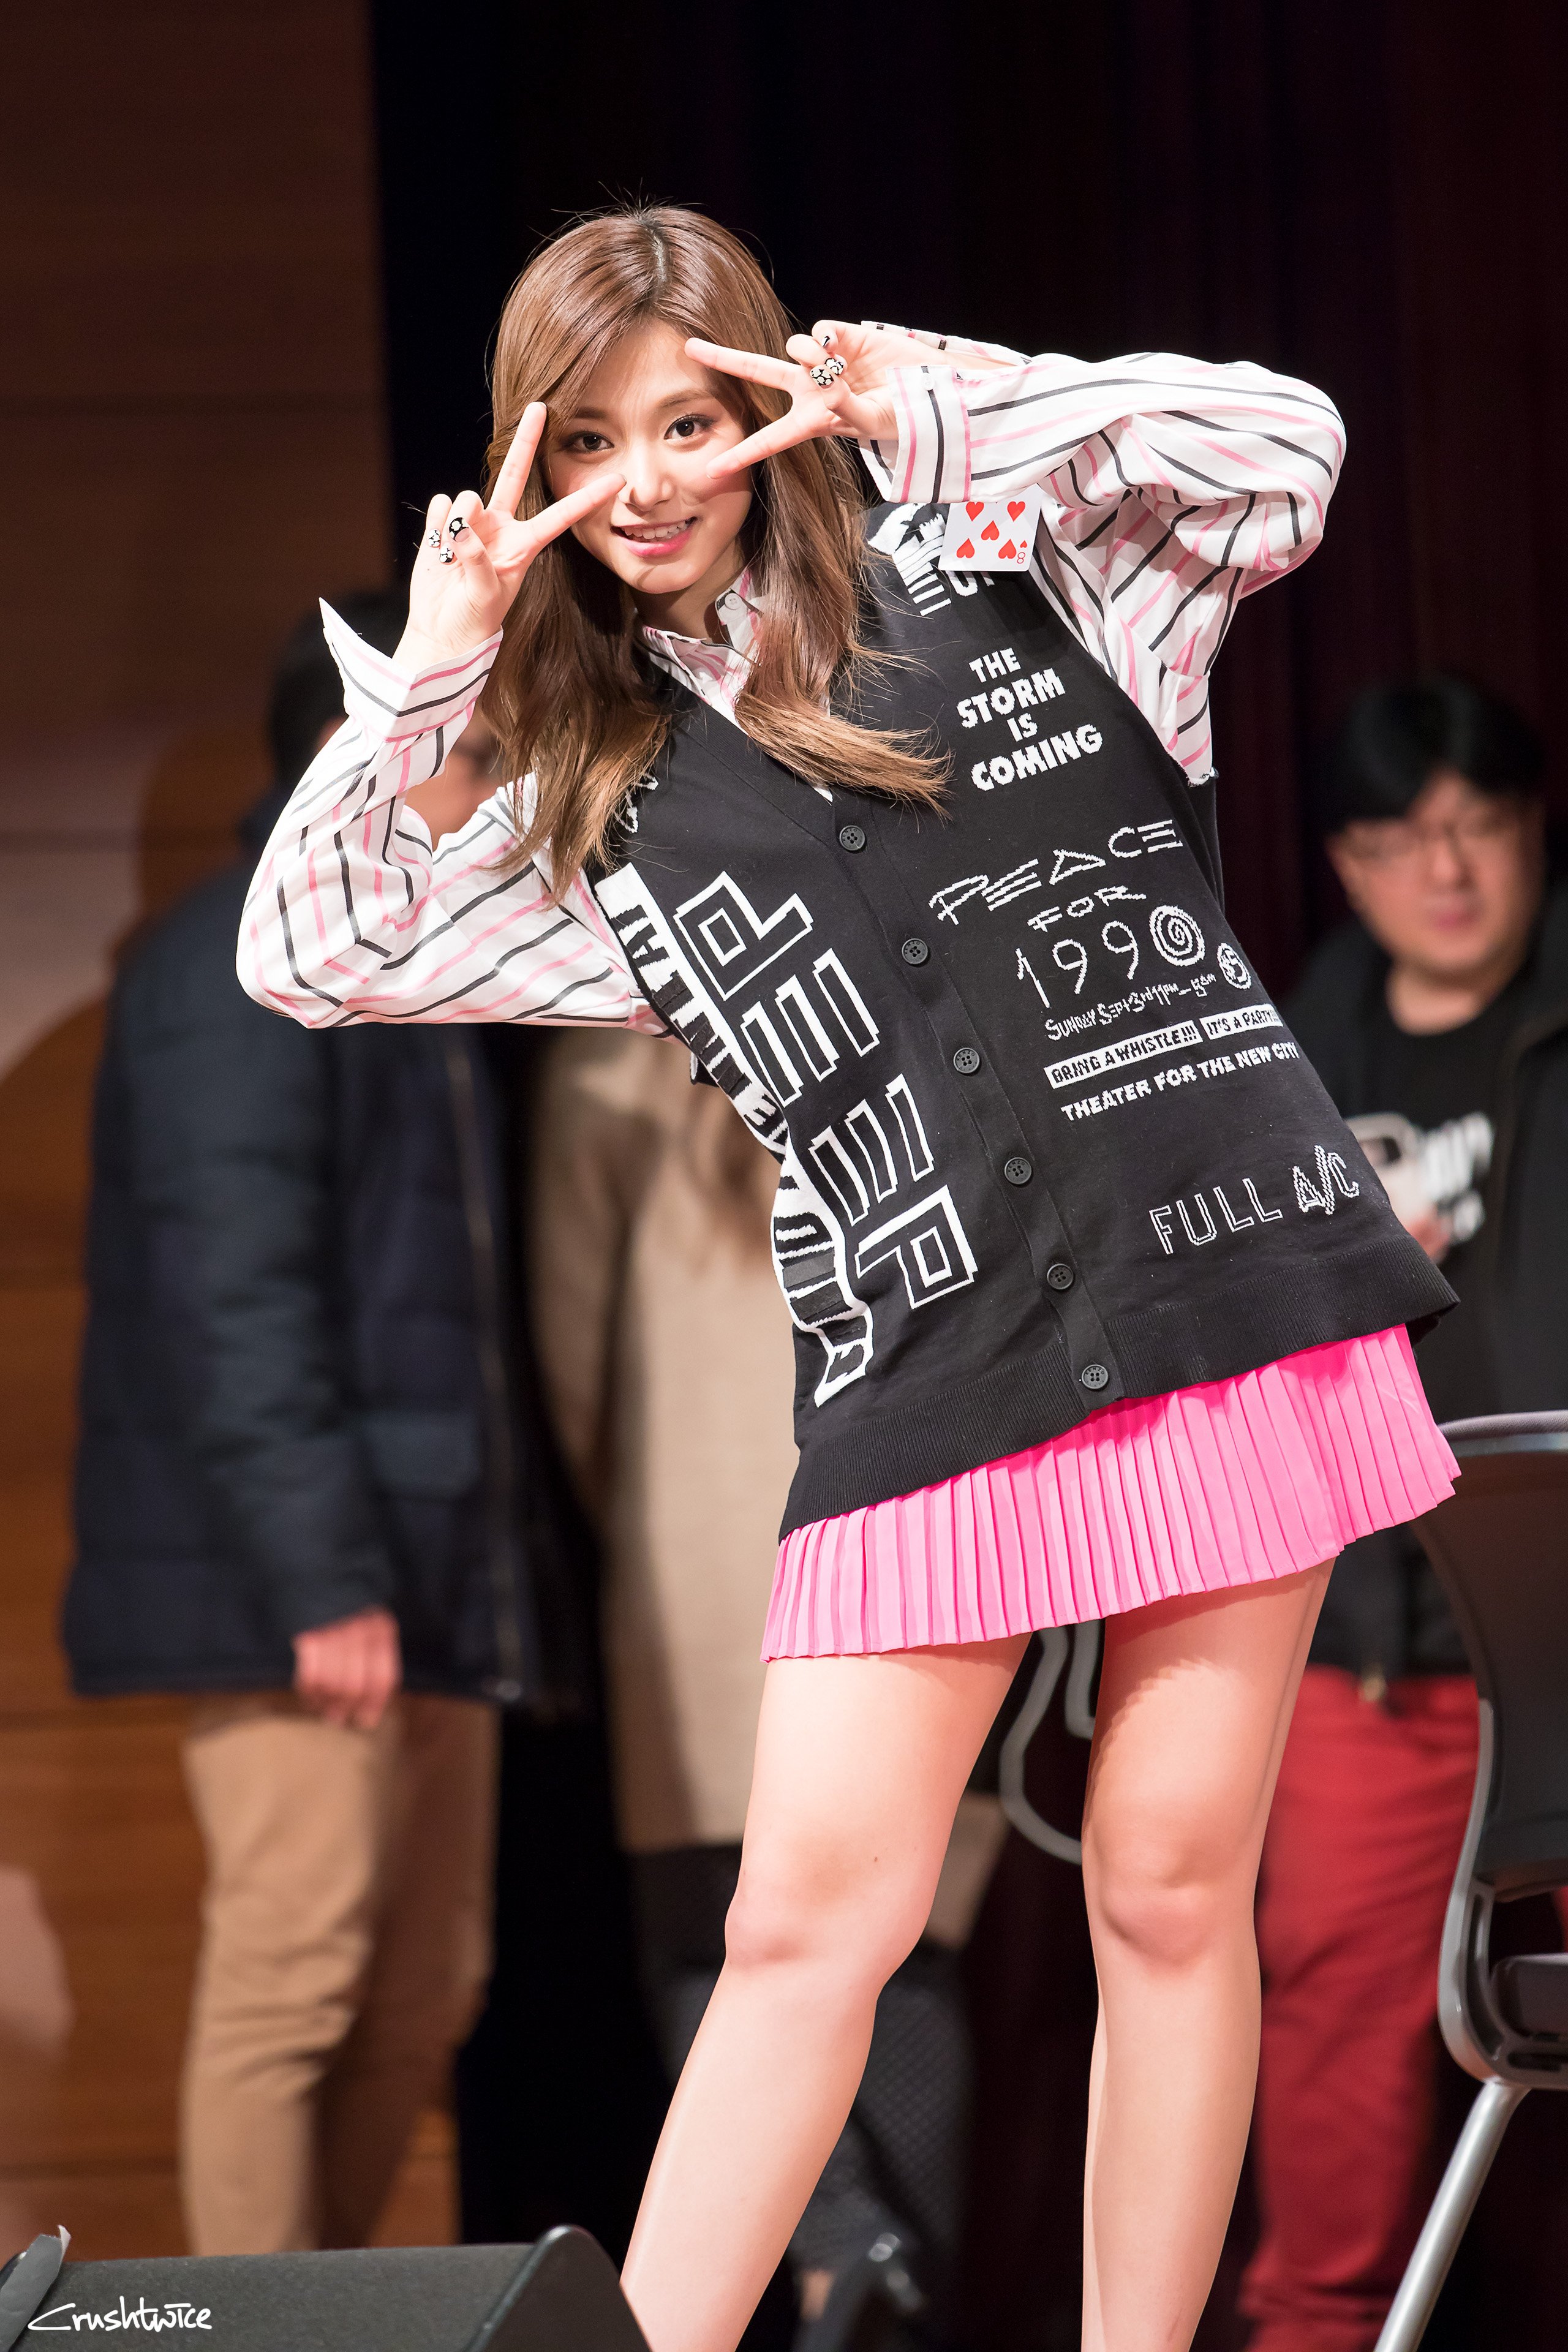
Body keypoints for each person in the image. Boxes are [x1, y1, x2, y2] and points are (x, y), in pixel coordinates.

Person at [238, 205, 1457, 2352]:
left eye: (688, 419)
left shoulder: (1007, 551)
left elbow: (1293, 449)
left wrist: (942, 396)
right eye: (588, 440)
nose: (646, 482)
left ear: (767, 403)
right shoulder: (585, 786)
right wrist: (438, 656)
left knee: (1172, 1889)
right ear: (529, 462)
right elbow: (312, 950)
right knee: (803, 1926)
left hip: (1220, 1281)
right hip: (932, 1356)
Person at [64, 595, 593, 2255]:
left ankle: (323, 2313)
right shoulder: (241, 965)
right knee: (291, 1979)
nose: (501, 790)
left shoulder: (404, 969)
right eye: (477, 752)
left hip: (426, 1574)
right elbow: (236, 1301)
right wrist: (323, 1579)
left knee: (428, 1988)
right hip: (311, 1591)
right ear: (351, 749)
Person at [531, 1026, 1007, 2337]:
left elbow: (570, 1342)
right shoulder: (915, 994)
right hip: (925, 1515)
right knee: (904, 1951)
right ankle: (889, 2282)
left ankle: (843, 2247)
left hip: (703, 1531)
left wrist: (630, 1511)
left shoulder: (612, 1054)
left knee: (716, 1936)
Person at [1242, 677, 1568, 2350]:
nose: (1444, 871)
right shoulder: (1271, 1062)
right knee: (1332, 2090)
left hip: (1565, 1648)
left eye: (1477, 826)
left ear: (1530, 831)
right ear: (1344, 864)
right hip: (1368, 1657)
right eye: (1398, 837)